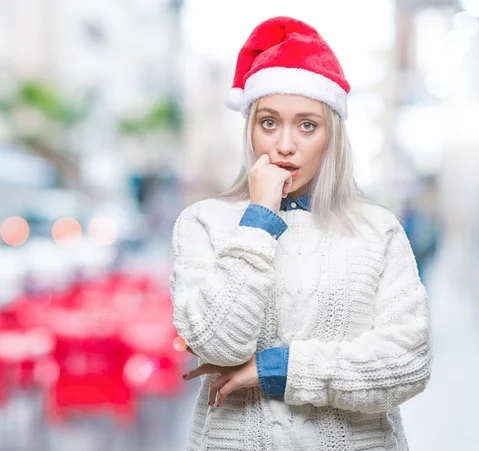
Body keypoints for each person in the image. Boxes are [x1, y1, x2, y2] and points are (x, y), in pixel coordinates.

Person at [170, 16, 432, 451]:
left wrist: (278, 368)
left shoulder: (377, 231)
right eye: (269, 122)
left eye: (307, 125)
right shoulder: (203, 223)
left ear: (332, 137)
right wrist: (259, 218)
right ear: (250, 128)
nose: (285, 145)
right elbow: (217, 340)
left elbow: (408, 363)